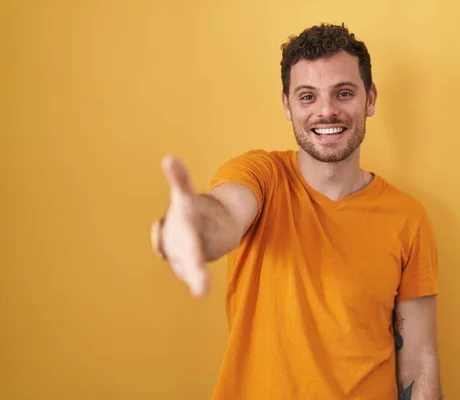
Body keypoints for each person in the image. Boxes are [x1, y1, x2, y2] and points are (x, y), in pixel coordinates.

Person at [151, 23, 442, 400]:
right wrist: (191, 227)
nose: (326, 111)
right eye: (308, 97)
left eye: (343, 93)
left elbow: (418, 360)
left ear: (369, 99)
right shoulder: (260, 176)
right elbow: (225, 214)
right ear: (287, 105)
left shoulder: (408, 217)